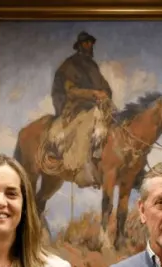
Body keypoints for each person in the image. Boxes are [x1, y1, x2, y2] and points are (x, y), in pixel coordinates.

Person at [45, 30, 115, 187]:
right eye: (86, 43)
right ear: (80, 45)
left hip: (97, 105)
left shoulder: (92, 66)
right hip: (76, 106)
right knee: (90, 126)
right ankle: (86, 166)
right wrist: (93, 93)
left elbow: (105, 86)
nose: (89, 45)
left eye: (90, 43)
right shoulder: (69, 65)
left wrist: (106, 94)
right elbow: (70, 91)